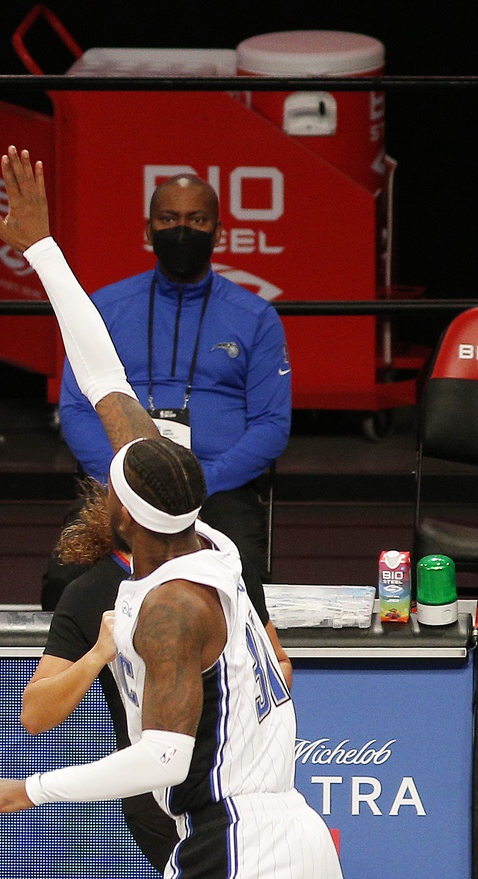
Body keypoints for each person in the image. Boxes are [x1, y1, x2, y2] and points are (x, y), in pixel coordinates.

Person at [0, 147, 341, 879]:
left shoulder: (171, 608)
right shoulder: (210, 538)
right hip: (290, 832)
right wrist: (41, 250)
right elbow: (102, 376)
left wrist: (27, 789)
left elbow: (164, 753)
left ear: (125, 516)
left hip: (236, 842)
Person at [42, 171, 291, 611]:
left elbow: (271, 425)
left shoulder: (255, 317)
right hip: (120, 487)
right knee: (65, 581)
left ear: (219, 232)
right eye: (169, 218)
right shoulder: (106, 308)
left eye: (197, 221)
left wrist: (197, 483)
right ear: (148, 229)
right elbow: (77, 409)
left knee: (246, 583)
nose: (182, 230)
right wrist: (128, 479)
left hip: (218, 489)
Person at [22, 475, 292, 874]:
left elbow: (280, 664)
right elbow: (35, 713)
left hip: (235, 787)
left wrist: (240, 710)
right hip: (158, 791)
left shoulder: (223, 565)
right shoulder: (89, 593)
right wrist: (97, 655)